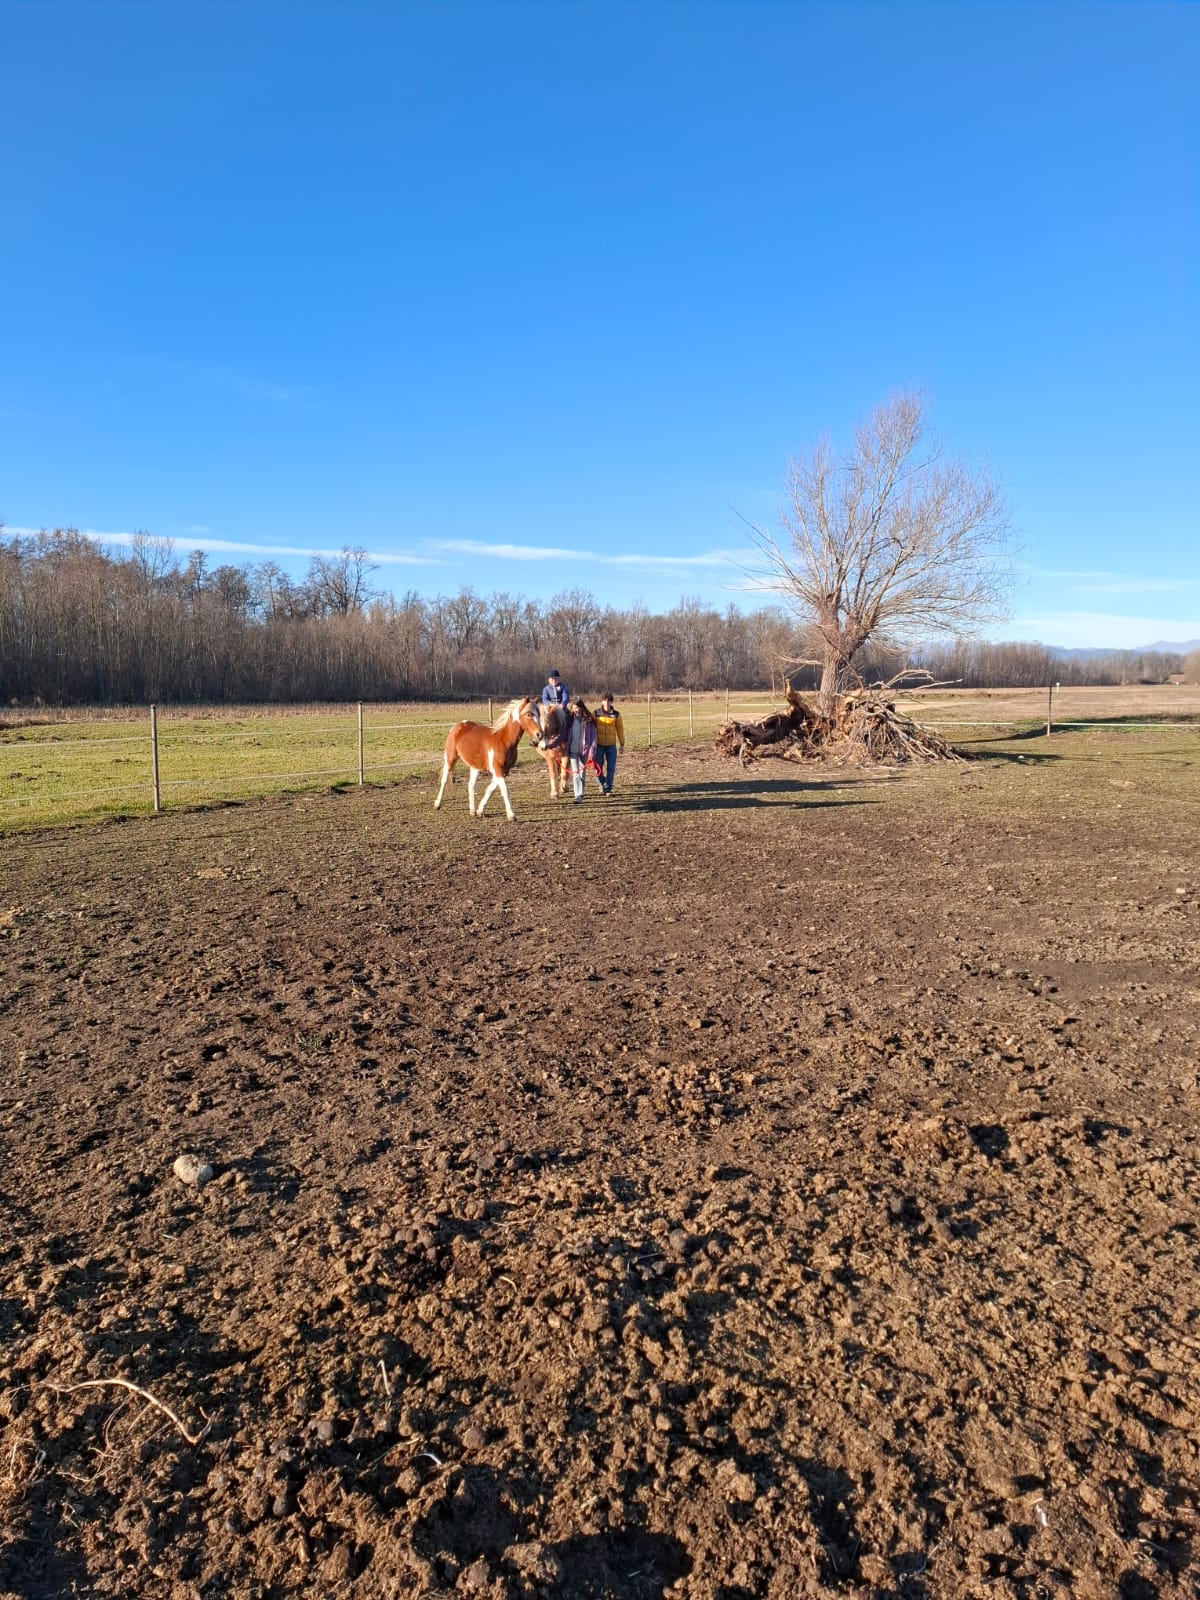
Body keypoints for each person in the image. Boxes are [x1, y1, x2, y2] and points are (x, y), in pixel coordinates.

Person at [566, 698, 599, 803]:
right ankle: (578, 796)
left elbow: (593, 738)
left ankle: (581, 794)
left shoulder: (589, 720)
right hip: (573, 751)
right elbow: (562, 735)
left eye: (577, 707)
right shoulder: (570, 720)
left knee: (582, 774)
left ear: (581, 707)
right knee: (576, 774)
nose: (575, 710)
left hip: (584, 752)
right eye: (573, 708)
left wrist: (591, 753)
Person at [593, 691, 625, 795]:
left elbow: (620, 730)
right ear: (602, 701)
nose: (606, 703)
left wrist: (622, 744)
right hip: (598, 746)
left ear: (611, 702)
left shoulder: (616, 715)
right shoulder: (596, 713)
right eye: (604, 700)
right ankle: (602, 783)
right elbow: (590, 728)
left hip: (611, 746)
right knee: (597, 768)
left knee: (611, 768)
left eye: (608, 701)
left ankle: (607, 788)